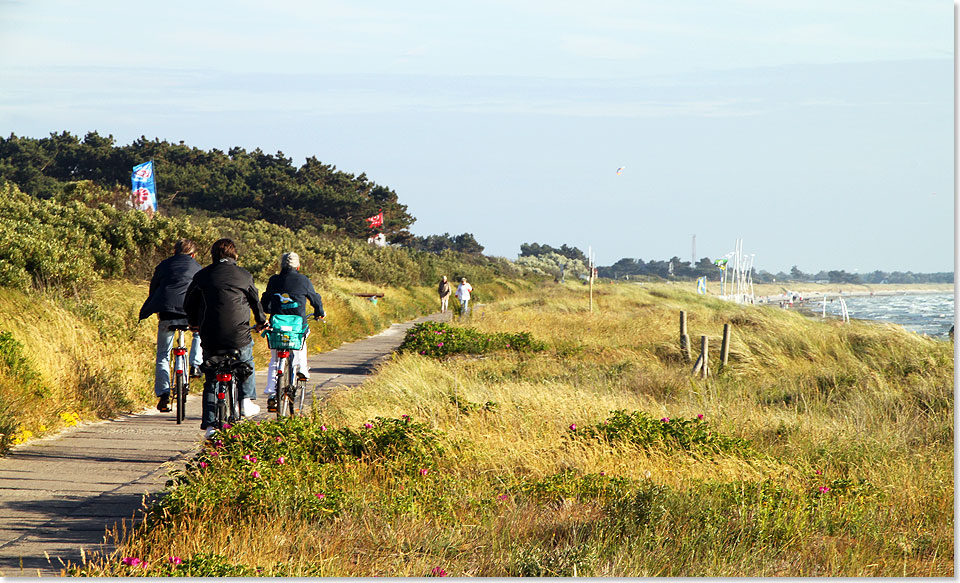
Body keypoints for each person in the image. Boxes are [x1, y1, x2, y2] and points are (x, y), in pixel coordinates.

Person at [184, 238, 268, 438]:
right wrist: (262, 321)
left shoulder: (202, 276)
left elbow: (189, 303)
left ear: (213, 256)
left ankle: (211, 426)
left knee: (212, 378)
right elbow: (256, 303)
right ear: (234, 255)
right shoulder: (244, 275)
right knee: (246, 360)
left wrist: (194, 323)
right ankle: (246, 401)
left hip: (210, 336)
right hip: (238, 336)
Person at [138, 239, 204, 413]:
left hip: (167, 312)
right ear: (193, 254)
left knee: (163, 355)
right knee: (198, 333)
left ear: (174, 252)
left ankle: (164, 395)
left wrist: (157, 309)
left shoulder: (163, 266)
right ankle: (196, 364)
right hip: (188, 314)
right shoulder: (197, 268)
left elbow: (154, 289)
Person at [260, 252, 325, 412]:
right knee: (302, 339)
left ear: (281, 265)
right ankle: (302, 368)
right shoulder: (303, 280)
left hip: (278, 326)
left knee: (275, 359)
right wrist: (319, 312)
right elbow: (315, 299)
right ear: (298, 266)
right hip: (297, 326)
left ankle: (271, 394)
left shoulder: (274, 280)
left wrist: (266, 311)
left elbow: (265, 300)